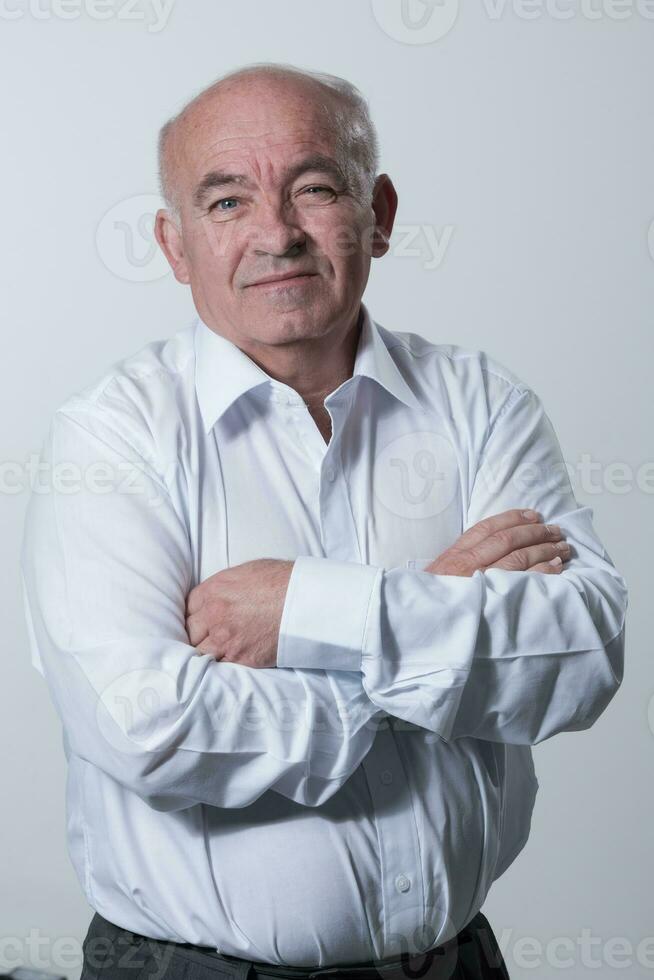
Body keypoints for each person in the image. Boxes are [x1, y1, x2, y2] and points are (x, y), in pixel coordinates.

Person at [20, 62, 628, 980]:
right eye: (225, 202)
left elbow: (580, 657)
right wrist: (427, 623)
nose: (277, 233)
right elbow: (152, 726)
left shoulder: (481, 404)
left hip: (457, 963)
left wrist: (304, 612)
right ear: (175, 245)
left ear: (378, 213)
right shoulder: (113, 436)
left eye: (314, 188)